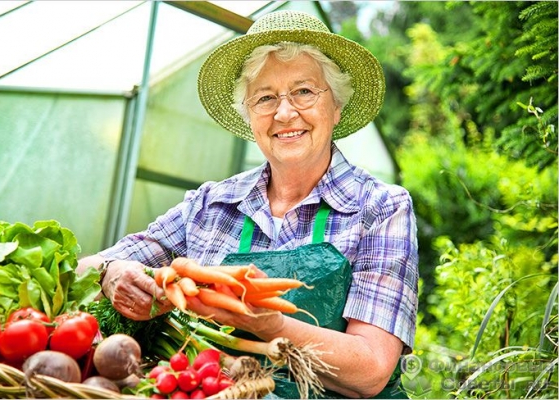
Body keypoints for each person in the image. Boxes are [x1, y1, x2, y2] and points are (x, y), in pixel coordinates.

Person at [77, 10, 418, 399]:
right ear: (250, 116)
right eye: (265, 98)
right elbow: (85, 267)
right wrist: (112, 271)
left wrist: (268, 324)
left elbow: (371, 369)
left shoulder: (380, 207)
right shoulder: (210, 204)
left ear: (336, 107)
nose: (285, 112)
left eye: (304, 91)